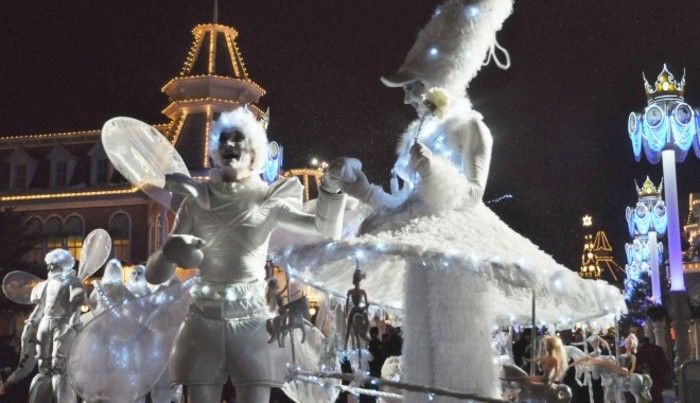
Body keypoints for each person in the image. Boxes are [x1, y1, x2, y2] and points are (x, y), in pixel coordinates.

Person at [145, 107, 348, 403]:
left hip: (252, 319)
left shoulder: (268, 200)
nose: (229, 145)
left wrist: (331, 190)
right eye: (224, 139)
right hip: (204, 317)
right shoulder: (195, 202)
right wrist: (167, 254)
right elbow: (154, 277)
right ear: (215, 149)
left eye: (237, 138)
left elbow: (325, 228)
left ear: (254, 150)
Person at [17, 249, 84, 403]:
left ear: (62, 265)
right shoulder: (45, 284)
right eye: (49, 265)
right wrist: (31, 323)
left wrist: (73, 321)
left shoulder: (72, 282)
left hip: (63, 323)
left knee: (59, 365)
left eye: (53, 265)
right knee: (43, 365)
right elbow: (40, 307)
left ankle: (63, 399)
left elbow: (77, 303)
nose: (50, 268)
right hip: (45, 323)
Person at [636, 336, 668, 403]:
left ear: (641, 343)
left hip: (647, 377)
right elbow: (665, 364)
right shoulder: (658, 349)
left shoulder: (640, 351)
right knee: (657, 395)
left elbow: (637, 365)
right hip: (658, 377)